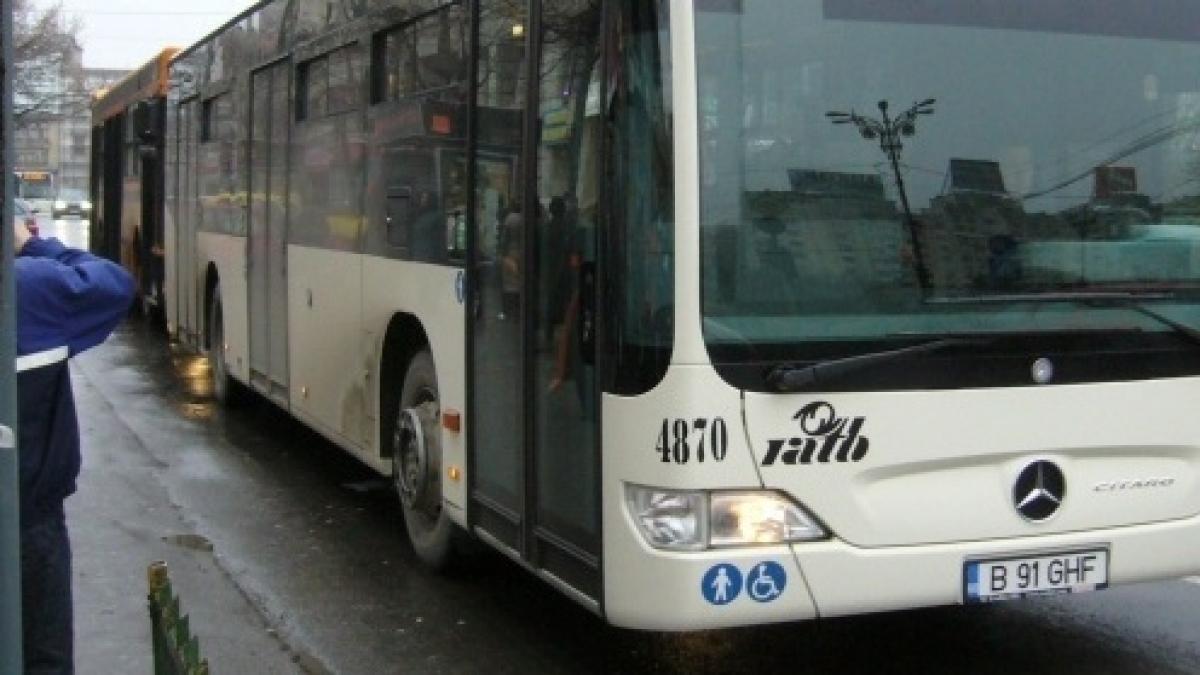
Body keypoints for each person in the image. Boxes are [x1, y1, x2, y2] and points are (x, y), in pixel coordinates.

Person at [13, 218, 135, 674]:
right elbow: (115, 285)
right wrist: (32, 245)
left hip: (32, 519)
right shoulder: (30, 290)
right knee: (41, 658)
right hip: (29, 521)